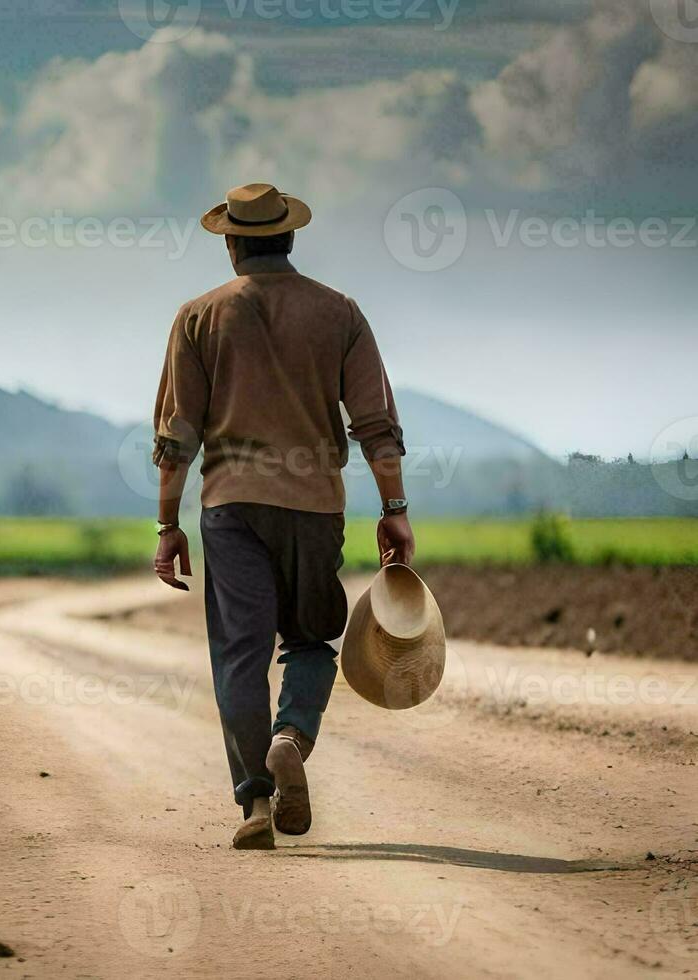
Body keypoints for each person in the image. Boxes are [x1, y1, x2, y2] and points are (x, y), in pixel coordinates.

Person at [151, 183, 416, 851]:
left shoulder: (197, 317)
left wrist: (166, 524)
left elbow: (176, 436)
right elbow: (376, 427)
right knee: (308, 643)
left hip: (230, 506)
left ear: (232, 243)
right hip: (314, 505)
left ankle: (256, 806)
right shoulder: (340, 313)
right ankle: (289, 737)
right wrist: (395, 511)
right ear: (290, 238)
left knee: (240, 656)